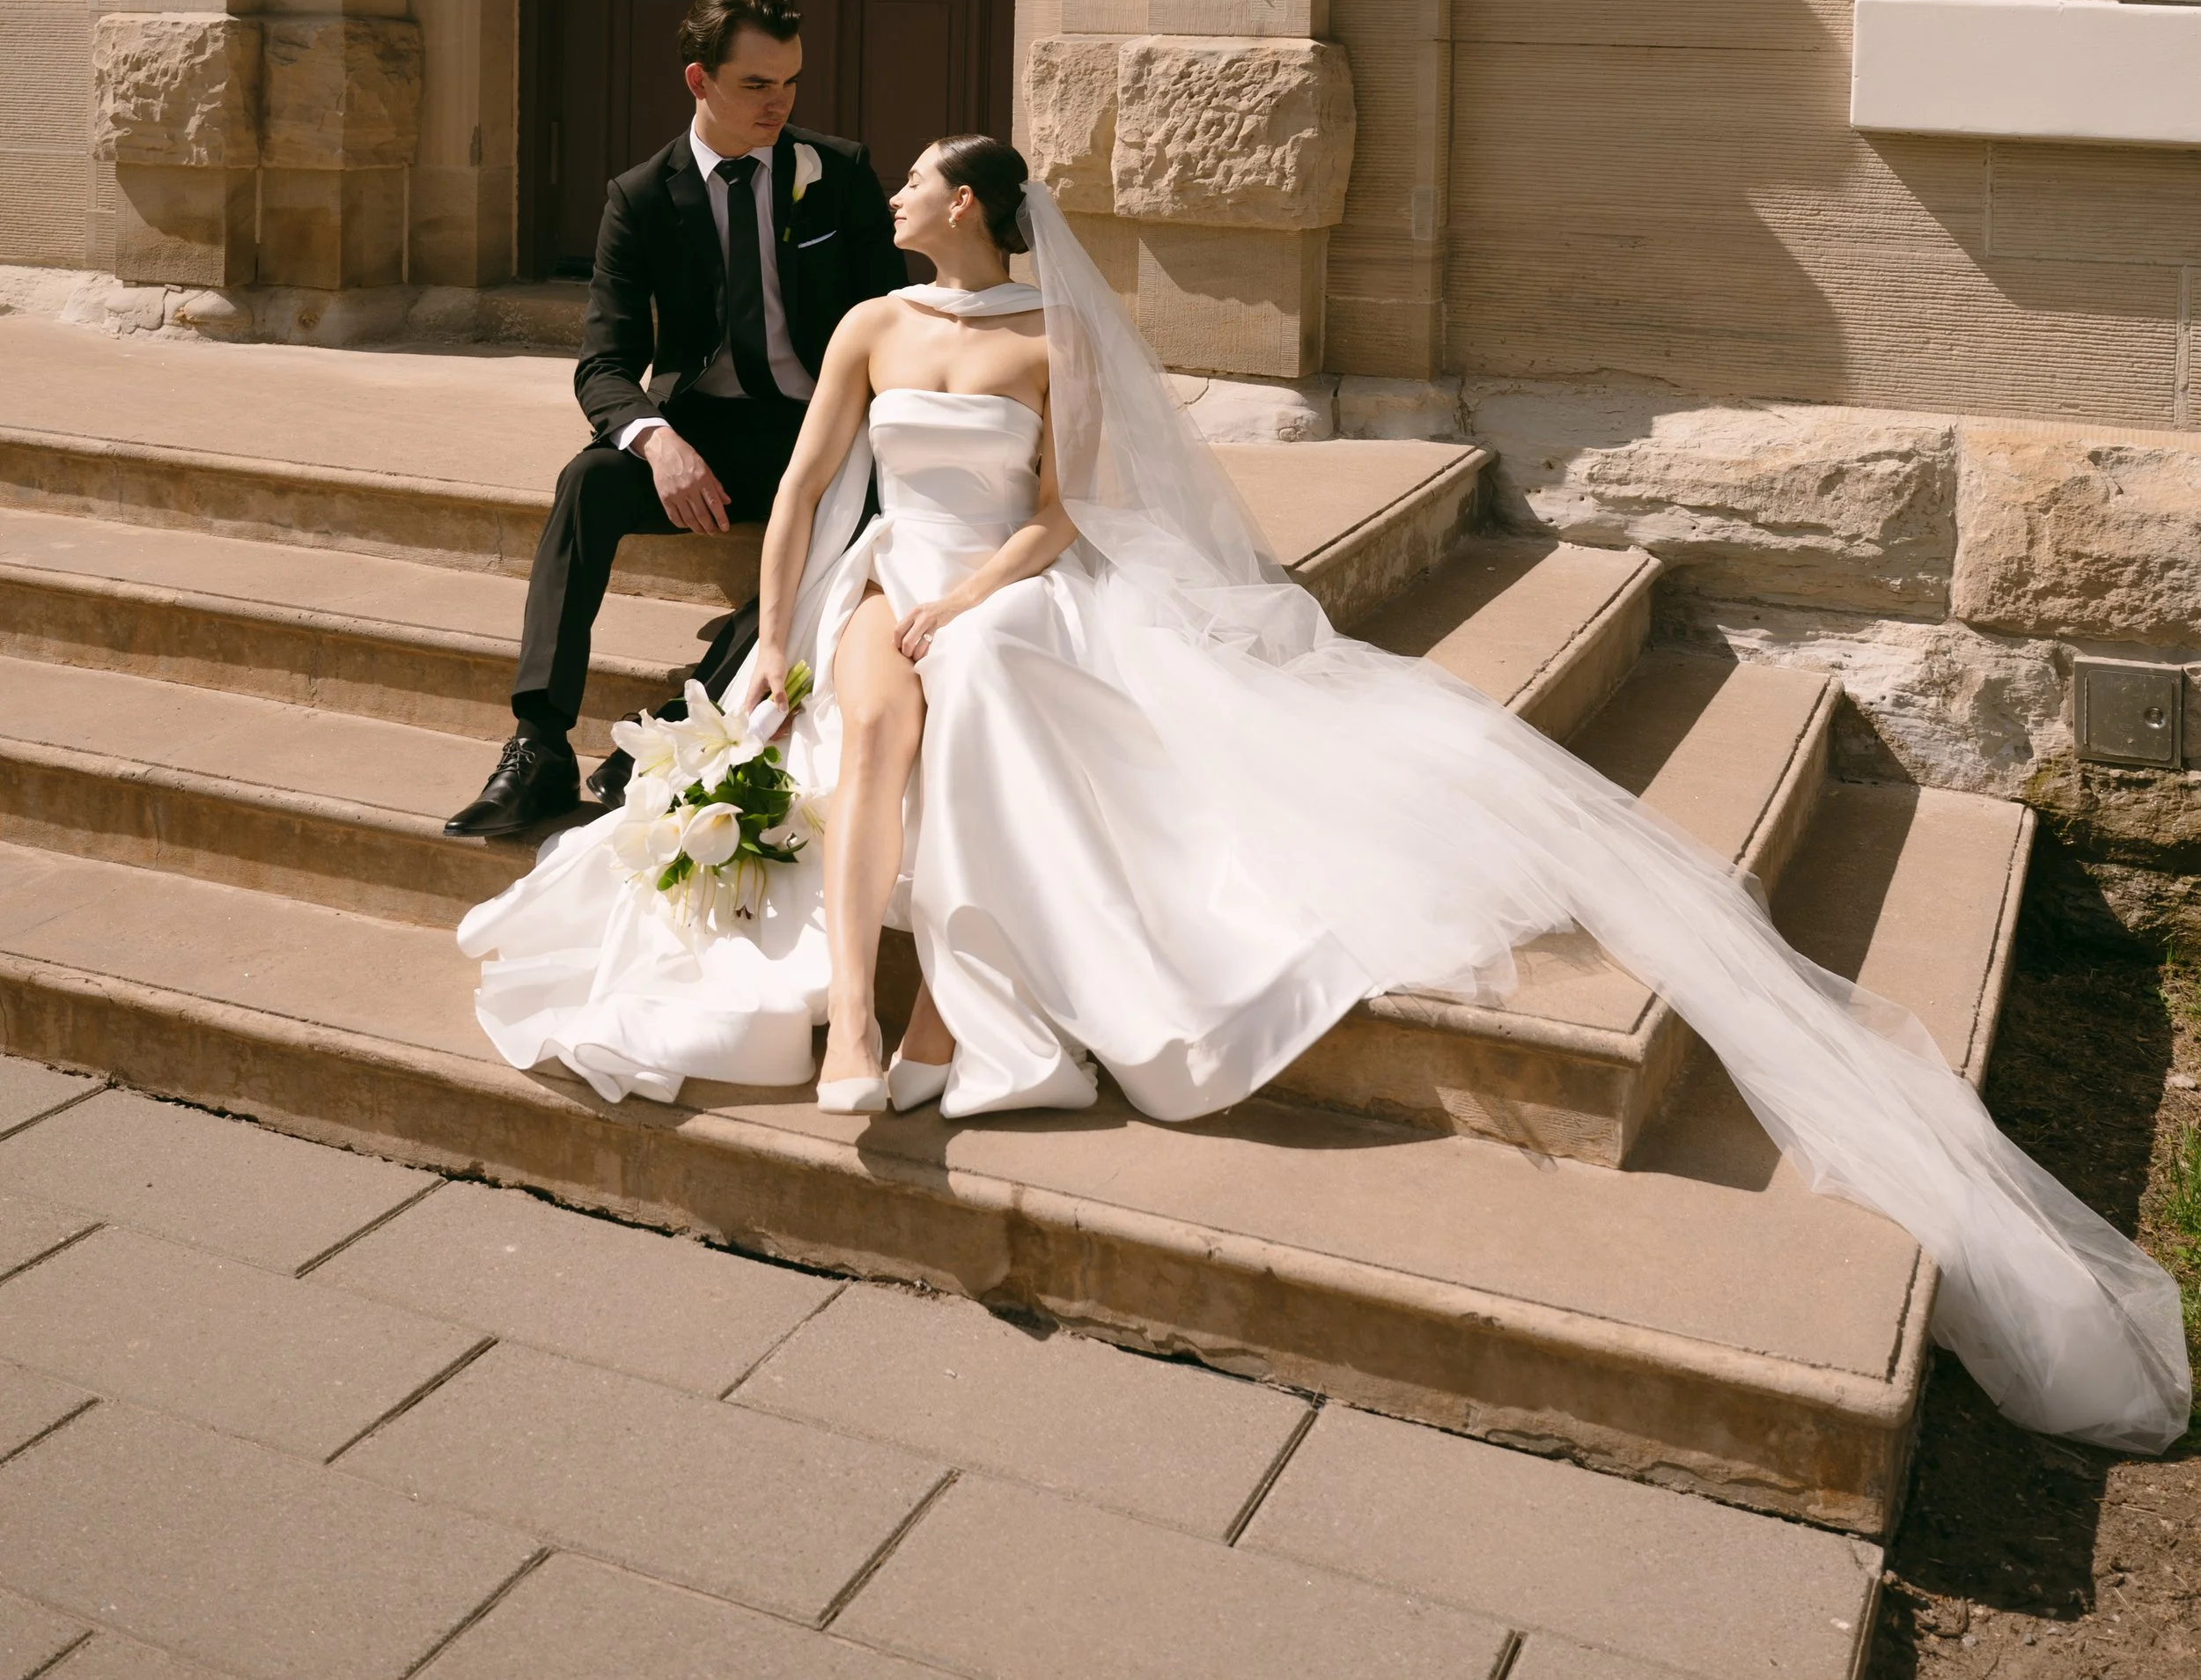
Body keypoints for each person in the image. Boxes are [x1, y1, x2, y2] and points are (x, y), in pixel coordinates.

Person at [458, 137, 2191, 1456]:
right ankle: (859, 1013)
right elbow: (811, 487)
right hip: (870, 590)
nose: (888, 189)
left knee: (964, 684)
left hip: (993, 590)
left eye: (915, 183)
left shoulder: (1045, 343)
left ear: (974, 214)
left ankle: (908, 1016)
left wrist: (973, 592)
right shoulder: (864, 323)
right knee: (882, 708)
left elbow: (1062, 515)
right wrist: (775, 641)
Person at [444, 0, 902, 841]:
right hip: (710, 433)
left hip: (830, 436)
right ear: (699, 80)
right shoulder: (642, 195)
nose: (781, 102)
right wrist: (656, 440)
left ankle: (665, 729)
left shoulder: (835, 173)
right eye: (756, 84)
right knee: (589, 480)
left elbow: (893, 324)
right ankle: (538, 743)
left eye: (791, 81)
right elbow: (604, 363)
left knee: (837, 546)